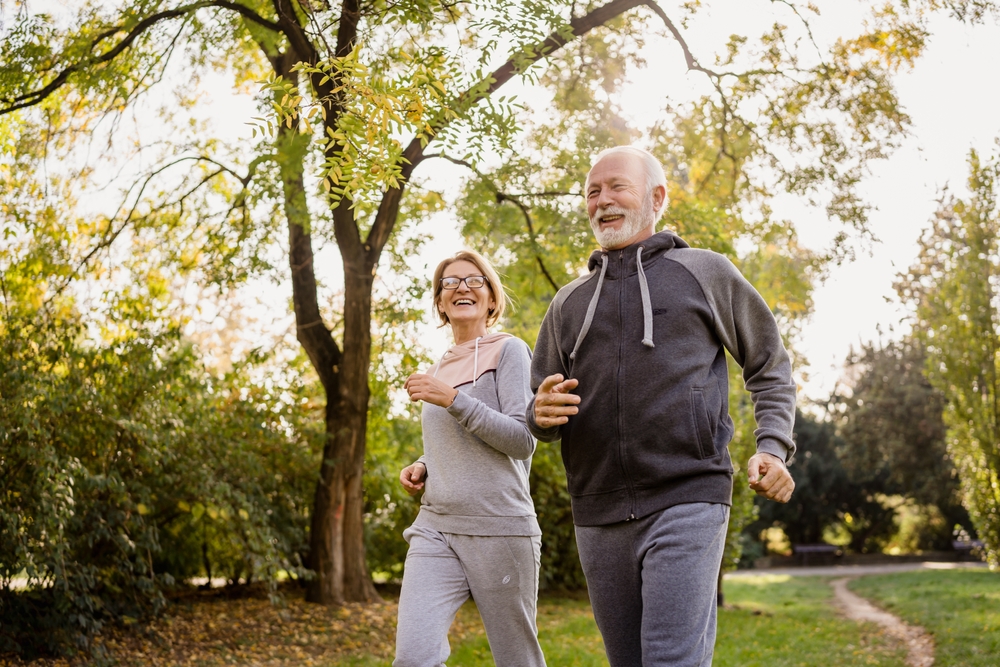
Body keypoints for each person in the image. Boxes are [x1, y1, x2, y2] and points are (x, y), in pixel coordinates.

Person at [526, 145, 796, 667]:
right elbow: (540, 410)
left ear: (657, 197)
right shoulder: (569, 302)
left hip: (688, 493)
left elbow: (768, 362)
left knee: (671, 659)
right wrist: (539, 413)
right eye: (592, 191)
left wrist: (774, 446)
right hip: (598, 507)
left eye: (617, 187)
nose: (602, 200)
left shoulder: (705, 272)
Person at [394, 250, 546, 667]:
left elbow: (522, 439)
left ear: (492, 299)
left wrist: (454, 399)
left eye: (474, 280)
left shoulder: (510, 351)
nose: (462, 286)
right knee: (413, 657)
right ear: (441, 303)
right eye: (450, 283)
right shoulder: (440, 365)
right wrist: (424, 463)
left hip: (500, 527)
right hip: (436, 527)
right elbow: (457, 440)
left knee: (517, 660)